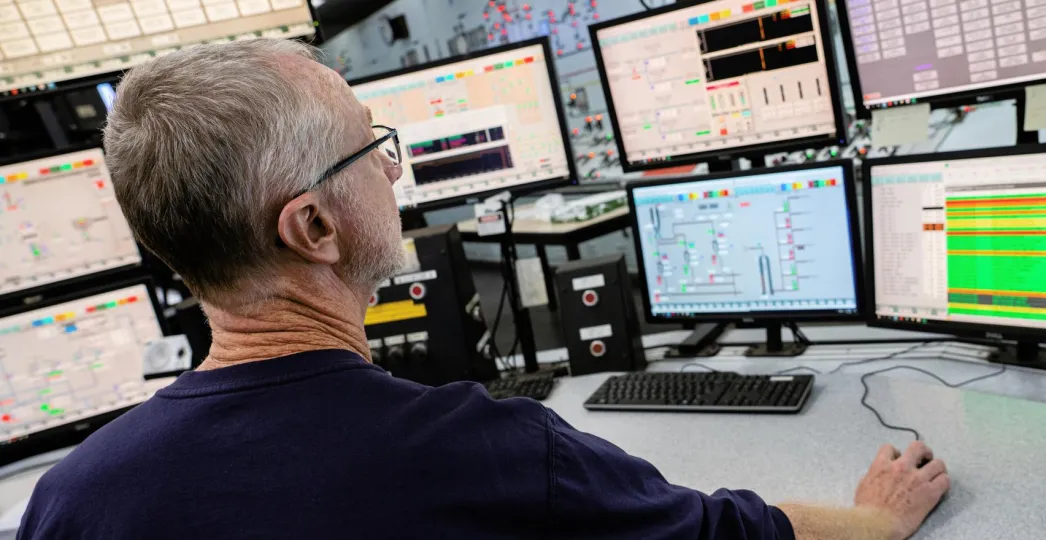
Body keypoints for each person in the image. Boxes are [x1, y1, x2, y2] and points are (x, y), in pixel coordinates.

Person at [18, 40, 949, 540]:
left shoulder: (73, 503)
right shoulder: (484, 453)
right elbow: (721, 539)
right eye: (375, 150)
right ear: (314, 226)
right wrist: (872, 521)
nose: (393, 172)